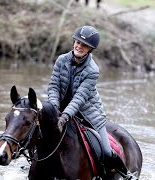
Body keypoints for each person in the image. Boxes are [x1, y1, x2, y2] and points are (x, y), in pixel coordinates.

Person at [47, 25, 129, 176]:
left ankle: (123, 175)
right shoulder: (61, 60)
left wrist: (64, 117)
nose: (79, 46)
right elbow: (53, 87)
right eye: (78, 42)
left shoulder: (93, 70)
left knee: (105, 150)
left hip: (87, 114)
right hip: (60, 109)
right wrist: (54, 108)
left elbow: (79, 99)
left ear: (90, 49)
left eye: (84, 45)